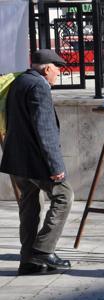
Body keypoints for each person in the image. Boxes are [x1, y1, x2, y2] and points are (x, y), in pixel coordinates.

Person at [0, 49, 74, 275]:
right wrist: (56, 167)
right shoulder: (39, 86)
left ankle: (28, 262)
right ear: (48, 68)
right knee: (64, 196)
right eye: (58, 69)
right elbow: (45, 129)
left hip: (16, 158)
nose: (59, 73)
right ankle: (42, 250)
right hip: (35, 160)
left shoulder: (19, 81)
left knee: (29, 206)